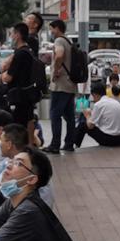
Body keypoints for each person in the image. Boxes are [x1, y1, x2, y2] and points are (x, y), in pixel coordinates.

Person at [0, 23, 39, 141]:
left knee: (17, 126)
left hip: (18, 96)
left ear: (18, 35)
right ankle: (28, 149)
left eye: (12, 34)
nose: (11, 37)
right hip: (28, 94)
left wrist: (2, 76)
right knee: (28, 121)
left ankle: (19, 150)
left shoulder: (20, 54)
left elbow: (8, 77)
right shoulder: (29, 51)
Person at [47, 19, 78, 154]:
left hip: (60, 85)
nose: (51, 32)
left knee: (55, 115)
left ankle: (55, 144)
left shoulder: (59, 41)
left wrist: (56, 71)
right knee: (70, 116)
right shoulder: (68, 41)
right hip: (70, 84)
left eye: (51, 29)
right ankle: (69, 143)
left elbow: (59, 55)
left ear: (57, 28)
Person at [74, 82, 120, 148]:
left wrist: (87, 115)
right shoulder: (114, 101)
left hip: (111, 139)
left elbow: (90, 126)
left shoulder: (98, 104)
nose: (93, 99)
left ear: (95, 94)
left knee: (83, 125)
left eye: (93, 96)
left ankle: (76, 146)